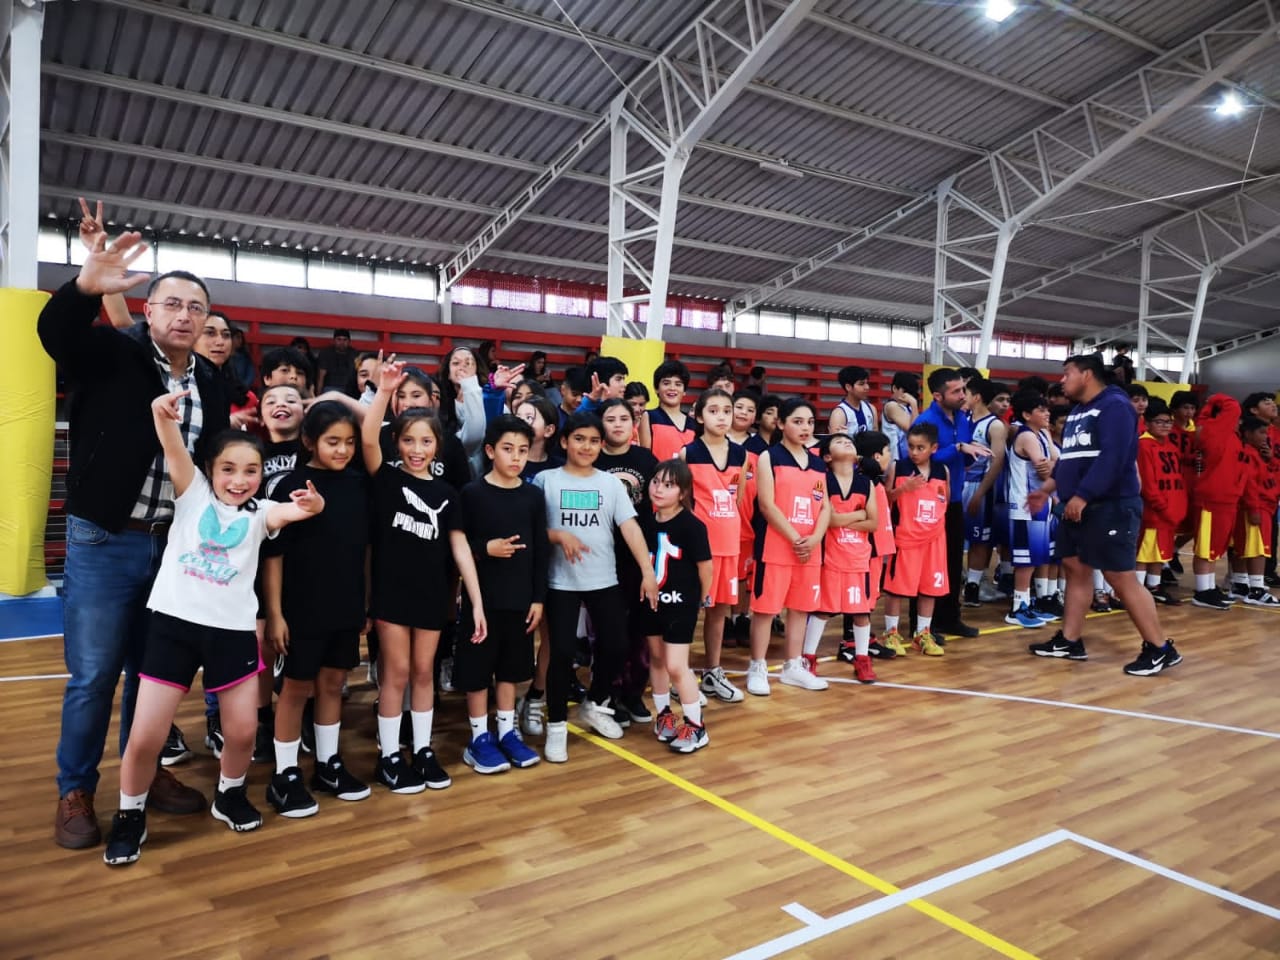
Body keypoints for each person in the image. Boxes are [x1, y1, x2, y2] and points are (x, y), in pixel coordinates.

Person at [39, 230, 224, 850]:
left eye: (196, 307)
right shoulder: (115, 354)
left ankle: (140, 779)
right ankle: (75, 789)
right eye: (172, 303)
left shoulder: (214, 385)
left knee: (154, 674)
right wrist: (85, 286)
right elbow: (56, 336)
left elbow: (213, 463)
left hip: (173, 547)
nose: (185, 315)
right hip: (103, 539)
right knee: (92, 675)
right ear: (149, 309)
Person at [101, 396, 326, 865]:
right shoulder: (194, 494)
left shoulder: (261, 513)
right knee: (145, 737)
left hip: (232, 632)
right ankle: (130, 814)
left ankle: (230, 794)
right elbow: (171, 445)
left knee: (243, 731)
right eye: (228, 469)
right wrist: (163, 415)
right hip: (173, 627)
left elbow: (294, 513)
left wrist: (314, 503)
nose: (239, 480)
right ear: (210, 469)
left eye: (250, 471)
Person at [362, 358, 488, 789]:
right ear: (398, 443)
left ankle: (423, 749)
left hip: (433, 595)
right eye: (410, 441)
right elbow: (368, 440)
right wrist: (383, 393)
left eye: (426, 442)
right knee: (394, 672)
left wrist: (475, 599)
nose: (417, 449)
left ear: (437, 447)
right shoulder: (386, 480)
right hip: (392, 595)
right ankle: (390, 755)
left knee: (423, 673)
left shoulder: (447, 493)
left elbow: (460, 548)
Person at [1027, 353, 1182, 676]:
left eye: (1067, 373)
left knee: (1119, 576)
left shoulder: (1115, 406)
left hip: (1110, 505)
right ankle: (1070, 641)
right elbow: (1071, 461)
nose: (1062, 380)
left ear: (1086, 374)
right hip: (1076, 505)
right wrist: (1047, 489)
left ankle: (1160, 648)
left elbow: (1114, 458)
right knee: (1074, 567)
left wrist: (1083, 496)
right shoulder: (1078, 412)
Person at [262, 402, 371, 817]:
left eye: (348, 443)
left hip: (344, 604)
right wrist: (275, 613)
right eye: (332, 442)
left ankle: (328, 763)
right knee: (295, 689)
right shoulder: (290, 483)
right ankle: (285, 775)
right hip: (301, 607)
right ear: (309, 441)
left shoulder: (360, 484)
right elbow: (274, 556)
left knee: (333, 684)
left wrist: (365, 601)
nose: (342, 450)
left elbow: (364, 549)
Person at [533, 413, 659, 762]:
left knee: (617, 645)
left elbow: (631, 528)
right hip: (561, 583)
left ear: (601, 445)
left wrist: (648, 570)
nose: (586, 447)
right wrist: (558, 535)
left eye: (592, 441)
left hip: (604, 578)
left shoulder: (609, 484)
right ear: (564, 442)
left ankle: (595, 703)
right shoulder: (546, 480)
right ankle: (556, 725)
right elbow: (529, 527)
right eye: (579, 439)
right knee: (560, 655)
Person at [457, 416, 548, 773]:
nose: (516, 458)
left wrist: (538, 599)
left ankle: (507, 732)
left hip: (520, 601)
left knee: (510, 671)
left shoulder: (532, 496)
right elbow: (459, 545)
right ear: (491, 451)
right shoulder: (473, 493)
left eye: (523, 451)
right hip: (483, 602)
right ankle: (479, 737)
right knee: (478, 671)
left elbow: (541, 550)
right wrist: (485, 548)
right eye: (508, 449)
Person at [746, 398, 831, 694]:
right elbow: (767, 505)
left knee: (800, 609)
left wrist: (816, 537)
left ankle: (793, 666)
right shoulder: (770, 457)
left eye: (809, 422)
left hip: (810, 550)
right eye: (797, 421)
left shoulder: (819, 462)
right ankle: (757, 666)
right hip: (777, 547)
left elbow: (825, 508)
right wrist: (795, 537)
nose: (805, 427)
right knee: (766, 610)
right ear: (781, 424)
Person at [640, 460, 714, 754]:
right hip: (651, 603)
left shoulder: (692, 525)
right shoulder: (646, 520)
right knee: (656, 659)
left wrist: (702, 598)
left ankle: (696, 726)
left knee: (675, 665)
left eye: (668, 485)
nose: (659, 489)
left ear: (683, 492)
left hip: (681, 604)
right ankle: (664, 716)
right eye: (656, 481)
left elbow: (705, 567)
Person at [681, 389, 746, 704]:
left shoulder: (741, 455)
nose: (722, 417)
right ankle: (681, 675)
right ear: (699, 415)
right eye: (714, 410)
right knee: (688, 611)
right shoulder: (687, 453)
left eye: (727, 411)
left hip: (729, 545)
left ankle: (712, 671)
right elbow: (682, 503)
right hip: (699, 548)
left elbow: (740, 497)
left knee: (719, 610)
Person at [913, 368, 989, 638]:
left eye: (962, 390)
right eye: (955, 391)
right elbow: (918, 458)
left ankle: (950, 617)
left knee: (953, 561)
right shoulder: (925, 421)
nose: (961, 395)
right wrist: (957, 449)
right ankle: (921, 623)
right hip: (927, 504)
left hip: (953, 499)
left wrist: (972, 455)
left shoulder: (962, 418)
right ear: (937, 395)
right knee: (925, 563)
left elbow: (965, 454)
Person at [804, 434, 880, 683]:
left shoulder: (865, 483)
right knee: (824, 611)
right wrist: (858, 515)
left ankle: (862, 660)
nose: (847, 443)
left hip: (858, 558)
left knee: (861, 613)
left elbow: (874, 522)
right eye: (839, 442)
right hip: (830, 557)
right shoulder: (823, 481)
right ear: (827, 456)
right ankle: (808, 657)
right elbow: (831, 521)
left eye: (850, 441)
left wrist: (845, 520)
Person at [883, 423, 950, 656]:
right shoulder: (898, 468)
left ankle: (922, 634)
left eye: (920, 447)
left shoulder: (943, 471)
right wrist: (904, 489)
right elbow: (884, 500)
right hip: (906, 538)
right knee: (896, 589)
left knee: (929, 589)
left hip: (934, 540)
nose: (914, 452)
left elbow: (945, 502)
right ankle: (891, 633)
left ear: (933, 448)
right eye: (910, 446)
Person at [1003, 391, 1058, 629]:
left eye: (1047, 409)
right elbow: (1043, 470)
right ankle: (1018, 607)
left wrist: (1054, 466)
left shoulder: (1042, 434)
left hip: (1040, 504)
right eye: (1041, 410)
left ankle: (1027, 601)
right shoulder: (1027, 437)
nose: (1047, 413)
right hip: (1024, 505)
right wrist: (1054, 466)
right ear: (1026, 414)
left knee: (1036, 556)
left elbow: (1056, 463)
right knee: (1025, 560)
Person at [1189, 393, 1247, 610]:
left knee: (1214, 546)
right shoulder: (1215, 430)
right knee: (1206, 546)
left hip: (1226, 497)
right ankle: (1202, 591)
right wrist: (1215, 399)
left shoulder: (1222, 432)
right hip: (1213, 498)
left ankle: (1209, 587)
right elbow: (1233, 406)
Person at [961, 378, 1008, 609]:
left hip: (980, 486)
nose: (962, 397)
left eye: (966, 393)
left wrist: (980, 493)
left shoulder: (995, 425)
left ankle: (972, 587)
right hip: (959, 485)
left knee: (980, 540)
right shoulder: (962, 419)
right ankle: (959, 582)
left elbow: (996, 463)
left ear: (976, 396)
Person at [853, 430, 901, 659]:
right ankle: (851, 642)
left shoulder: (876, 482)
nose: (890, 455)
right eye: (887, 451)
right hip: (866, 549)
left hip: (878, 549)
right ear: (876, 456)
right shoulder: (864, 483)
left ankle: (866, 639)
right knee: (860, 599)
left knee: (869, 598)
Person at [1136, 399, 1186, 606]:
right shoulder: (1143, 445)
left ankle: (1154, 587)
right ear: (1147, 423)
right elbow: (1147, 482)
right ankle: (1136, 590)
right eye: (1159, 422)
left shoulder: (1171, 446)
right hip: (1154, 510)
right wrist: (1162, 506)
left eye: (1168, 422)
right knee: (1144, 553)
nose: (1165, 425)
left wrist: (1178, 507)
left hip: (1169, 509)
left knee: (1159, 552)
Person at [1229, 416, 1280, 606]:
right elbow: (1249, 484)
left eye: (1267, 433)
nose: (1265, 437)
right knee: (1257, 549)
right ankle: (1257, 589)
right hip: (1256, 506)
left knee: (1244, 547)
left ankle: (1240, 584)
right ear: (1248, 433)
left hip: (1260, 505)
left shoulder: (1257, 453)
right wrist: (1254, 508)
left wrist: (1269, 459)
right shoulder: (1248, 454)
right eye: (1261, 432)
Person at [649, 359, 697, 461]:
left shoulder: (693, 424)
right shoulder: (649, 417)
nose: (672, 388)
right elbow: (645, 457)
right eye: (666, 383)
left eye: (678, 384)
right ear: (656, 388)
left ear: (684, 391)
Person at [829, 365, 877, 436]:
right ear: (848, 387)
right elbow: (835, 442)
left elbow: (877, 440)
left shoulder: (871, 409)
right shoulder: (839, 414)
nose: (867, 387)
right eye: (861, 384)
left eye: (867, 383)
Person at [881, 371, 918, 460]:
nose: (908, 396)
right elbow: (914, 430)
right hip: (895, 459)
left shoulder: (909, 408)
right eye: (905, 391)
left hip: (907, 457)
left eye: (911, 392)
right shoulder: (892, 406)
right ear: (894, 388)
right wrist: (914, 403)